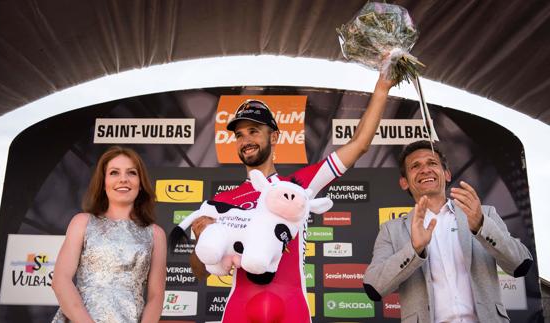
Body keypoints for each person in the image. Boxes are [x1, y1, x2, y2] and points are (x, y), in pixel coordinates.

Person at [191, 73, 395, 323]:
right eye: (240, 135)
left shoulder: (298, 186)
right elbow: (199, 270)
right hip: (240, 307)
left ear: (274, 137)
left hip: (291, 306)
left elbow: (360, 144)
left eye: (253, 131)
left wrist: (382, 88)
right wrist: (202, 238)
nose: (245, 141)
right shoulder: (222, 201)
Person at [363, 140, 533, 323]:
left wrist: (481, 226)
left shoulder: (484, 214)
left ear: (447, 174)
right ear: (404, 182)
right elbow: (374, 287)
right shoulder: (391, 230)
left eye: (432, 163)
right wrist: (414, 249)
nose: (425, 169)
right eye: (415, 166)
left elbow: (521, 264)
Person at [51, 146, 167, 323]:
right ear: (103, 183)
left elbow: (156, 296)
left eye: (131, 173)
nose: (123, 179)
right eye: (114, 173)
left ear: (141, 183)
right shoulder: (82, 222)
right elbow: (61, 280)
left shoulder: (156, 234)